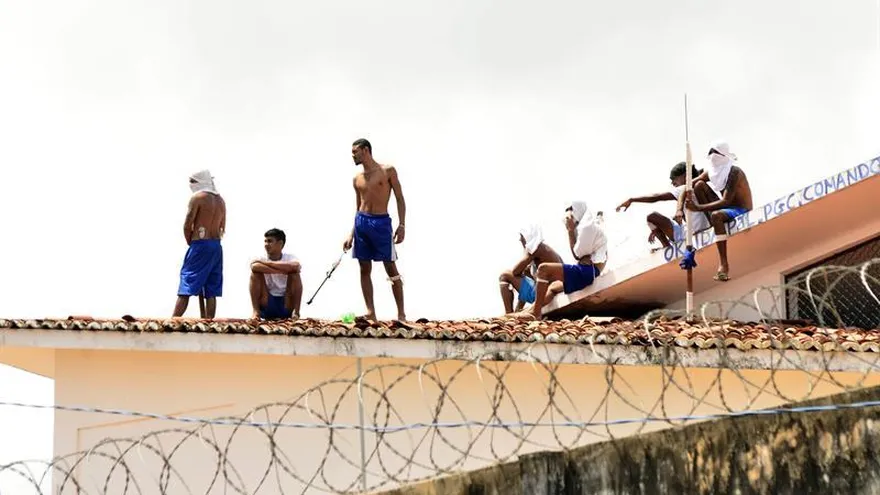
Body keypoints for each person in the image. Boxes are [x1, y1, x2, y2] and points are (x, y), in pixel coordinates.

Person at [342, 138, 407, 322]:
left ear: (365, 150)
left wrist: (401, 225)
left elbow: (400, 199)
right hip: (362, 222)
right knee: (364, 267)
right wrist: (351, 234)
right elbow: (358, 207)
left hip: (381, 223)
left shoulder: (387, 171)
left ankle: (401, 314)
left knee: (390, 266)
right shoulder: (357, 179)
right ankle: (371, 312)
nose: (352, 155)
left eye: (355, 151)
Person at [516, 202, 608, 320]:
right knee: (553, 287)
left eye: (570, 215)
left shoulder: (587, 228)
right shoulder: (584, 228)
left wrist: (570, 230)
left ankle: (536, 313)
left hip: (587, 271)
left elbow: (577, 254)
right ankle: (527, 312)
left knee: (543, 269)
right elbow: (581, 255)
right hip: (586, 270)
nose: (568, 219)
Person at [684, 141, 753, 282]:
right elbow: (690, 185)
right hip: (726, 209)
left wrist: (697, 208)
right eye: (710, 152)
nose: (712, 156)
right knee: (699, 186)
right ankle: (714, 224)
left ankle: (723, 265)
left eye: (715, 152)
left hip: (740, 209)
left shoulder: (734, 172)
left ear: (723, 155)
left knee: (716, 215)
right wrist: (681, 203)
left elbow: (726, 201)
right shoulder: (712, 171)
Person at [616, 162, 711, 251]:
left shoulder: (682, 188)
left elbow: (656, 197)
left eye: (674, 179)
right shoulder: (700, 185)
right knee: (657, 218)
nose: (672, 183)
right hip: (692, 230)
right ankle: (667, 248)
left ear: (685, 176)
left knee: (652, 217)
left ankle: (668, 248)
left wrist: (632, 199)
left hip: (694, 232)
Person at [173, 170, 226, 318]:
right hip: (216, 245)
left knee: (188, 281)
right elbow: (223, 226)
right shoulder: (220, 200)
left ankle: (174, 320)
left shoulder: (198, 198)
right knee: (211, 287)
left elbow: (188, 223)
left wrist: (192, 242)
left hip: (200, 244)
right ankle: (209, 321)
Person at [499, 224, 564, 314]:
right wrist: (519, 308)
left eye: (522, 237)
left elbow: (515, 271)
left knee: (505, 275)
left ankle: (508, 313)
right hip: (545, 289)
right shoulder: (544, 249)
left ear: (527, 236)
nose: (520, 239)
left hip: (546, 292)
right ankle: (513, 313)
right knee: (524, 274)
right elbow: (530, 282)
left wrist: (523, 270)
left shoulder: (535, 248)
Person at [249, 228, 303, 320]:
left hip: (286, 303)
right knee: (255, 273)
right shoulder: (260, 257)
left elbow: (296, 267)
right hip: (267, 301)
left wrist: (268, 264)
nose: (266, 245)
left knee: (295, 274)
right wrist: (283, 270)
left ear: (280, 244)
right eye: (265, 241)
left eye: (270, 241)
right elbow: (254, 266)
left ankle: (296, 312)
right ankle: (256, 312)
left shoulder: (290, 257)